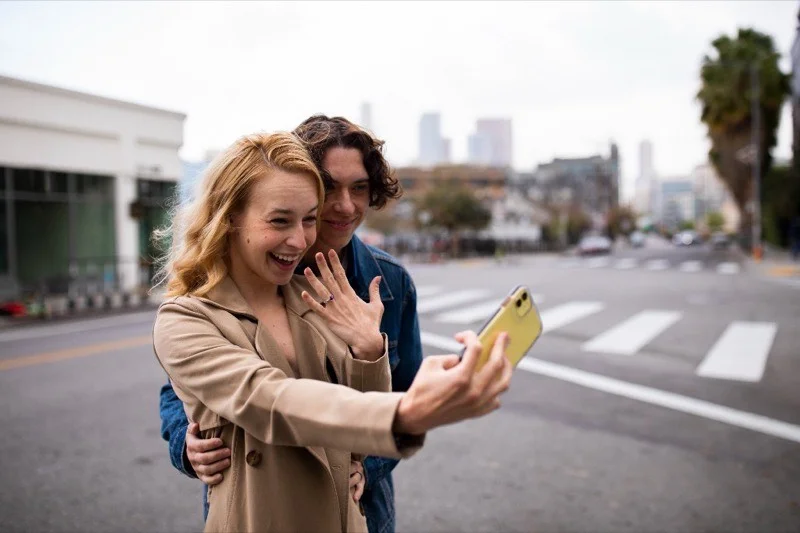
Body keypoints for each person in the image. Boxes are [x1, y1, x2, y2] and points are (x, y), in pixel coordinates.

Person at [153, 130, 513, 533]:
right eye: (280, 220)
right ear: (229, 216)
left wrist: (369, 350)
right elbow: (267, 399)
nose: (299, 239)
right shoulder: (185, 317)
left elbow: (360, 436)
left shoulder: (316, 293)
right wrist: (405, 413)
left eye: (309, 218)